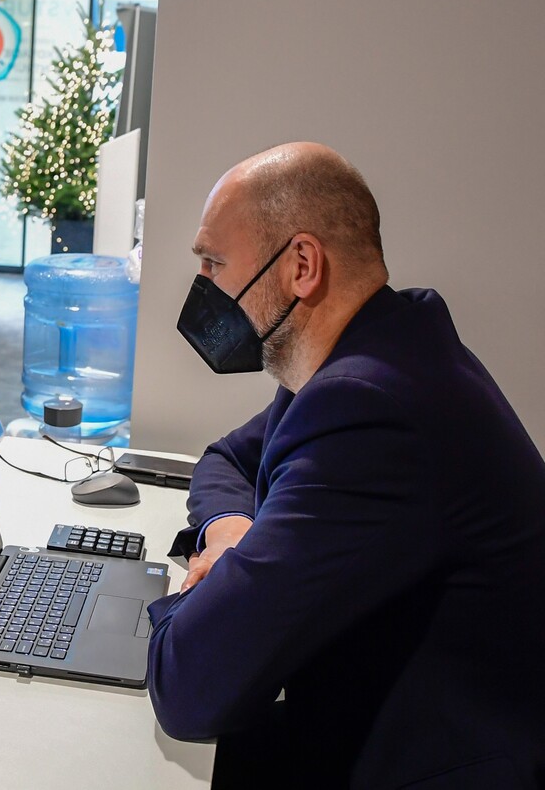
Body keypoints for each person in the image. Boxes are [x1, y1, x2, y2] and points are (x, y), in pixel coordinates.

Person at [146, 142, 545, 788]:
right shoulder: (380, 347)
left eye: (214, 263)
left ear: (302, 264)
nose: (204, 291)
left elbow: (189, 689)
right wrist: (230, 535)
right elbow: (227, 460)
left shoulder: (372, 409)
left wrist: (213, 587)